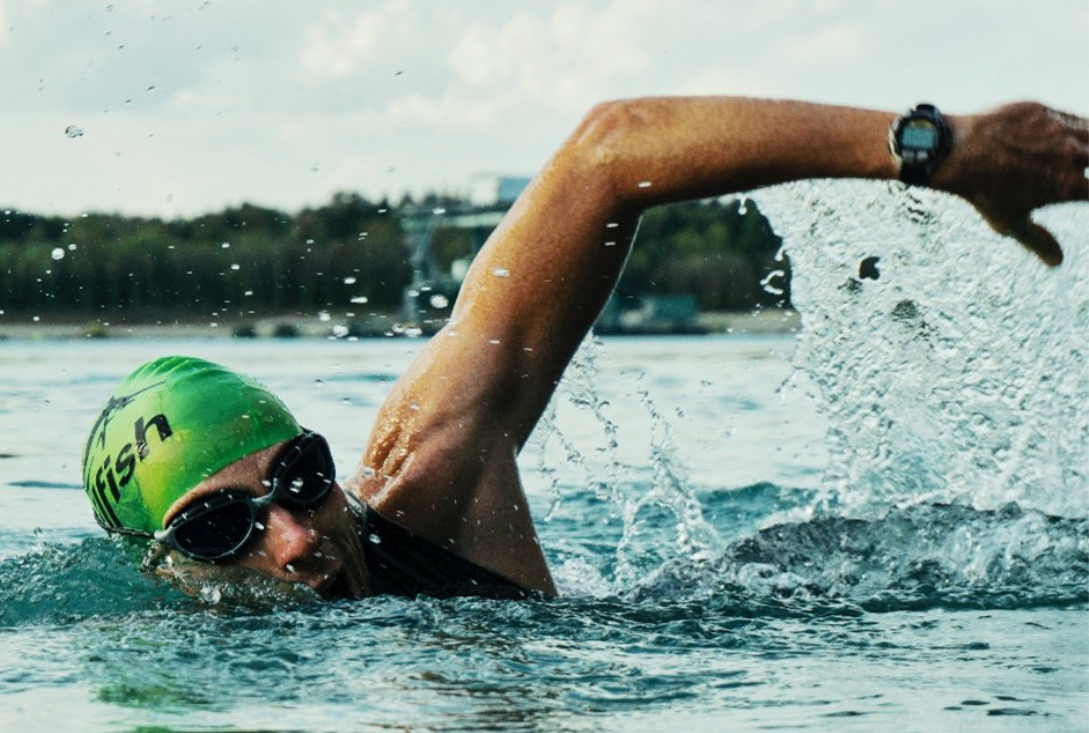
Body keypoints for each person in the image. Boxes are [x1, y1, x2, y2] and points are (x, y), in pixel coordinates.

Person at [82, 96, 1088, 600]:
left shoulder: (427, 477)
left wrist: (936, 150)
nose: (295, 539)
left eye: (299, 478)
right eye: (221, 530)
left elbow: (607, 153)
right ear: (161, 569)